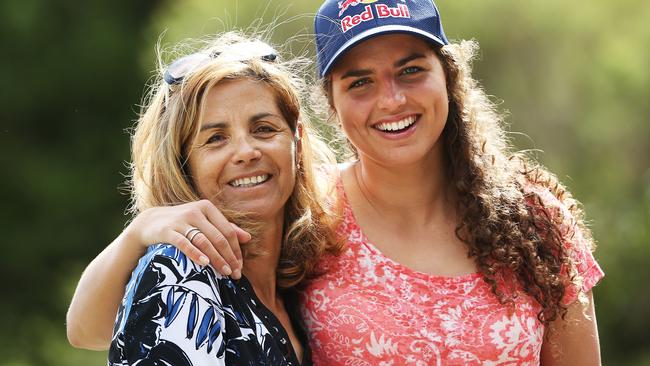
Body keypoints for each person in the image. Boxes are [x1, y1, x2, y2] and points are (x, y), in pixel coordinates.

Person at [68, 1, 604, 364]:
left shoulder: (534, 220)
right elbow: (95, 329)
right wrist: (140, 230)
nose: (392, 100)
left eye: (412, 69)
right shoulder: (310, 217)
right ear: (332, 103)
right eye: (361, 81)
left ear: (450, 75)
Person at [67, 31, 343, 365]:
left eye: (264, 129)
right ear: (184, 164)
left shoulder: (298, 282)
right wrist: (138, 232)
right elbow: (83, 331)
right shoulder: (182, 274)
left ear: (296, 140)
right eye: (215, 138)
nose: (245, 152)